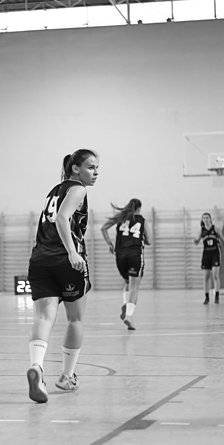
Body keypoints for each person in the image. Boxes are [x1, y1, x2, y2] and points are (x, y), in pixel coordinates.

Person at [26, 149, 98, 403]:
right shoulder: (78, 189)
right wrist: (72, 252)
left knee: (44, 317)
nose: (95, 172)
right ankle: (67, 376)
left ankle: (37, 367)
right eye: (91, 167)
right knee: (75, 319)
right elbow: (61, 218)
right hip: (66, 260)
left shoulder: (53, 191)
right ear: (75, 169)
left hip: (40, 260)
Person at [100, 198, 151, 330]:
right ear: (139, 208)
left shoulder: (121, 217)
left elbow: (103, 228)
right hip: (135, 255)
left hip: (120, 256)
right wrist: (140, 237)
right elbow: (149, 241)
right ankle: (129, 316)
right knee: (134, 287)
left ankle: (125, 304)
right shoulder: (142, 220)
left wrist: (110, 244)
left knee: (127, 282)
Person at [194, 212, 224, 304]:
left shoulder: (215, 229)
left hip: (215, 253)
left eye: (207, 217)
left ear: (210, 219)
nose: (206, 219)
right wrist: (195, 241)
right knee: (206, 277)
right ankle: (207, 297)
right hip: (206, 254)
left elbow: (223, 240)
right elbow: (197, 241)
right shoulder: (201, 230)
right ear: (202, 220)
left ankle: (217, 296)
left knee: (215, 275)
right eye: (204, 218)